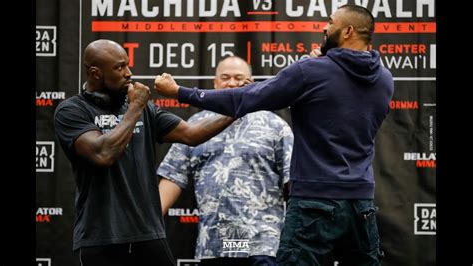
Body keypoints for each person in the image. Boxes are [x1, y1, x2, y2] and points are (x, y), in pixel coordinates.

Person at [154, 5, 394, 266]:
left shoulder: (310, 72)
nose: (324, 28)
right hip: (361, 203)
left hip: (314, 201)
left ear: (347, 31)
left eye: (329, 22)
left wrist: (180, 92)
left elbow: (245, 98)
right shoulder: (384, 79)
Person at [53, 39, 236, 266]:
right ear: (95, 73)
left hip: (148, 234)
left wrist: (239, 106)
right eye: (119, 67)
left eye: (127, 65)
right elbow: (104, 153)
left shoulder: (144, 109)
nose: (128, 73)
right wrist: (135, 108)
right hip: (101, 237)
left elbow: (192, 134)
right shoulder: (72, 110)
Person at [157, 56, 294, 266]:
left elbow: (292, 183)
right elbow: (173, 177)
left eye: (239, 78)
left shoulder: (276, 126)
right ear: (214, 84)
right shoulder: (194, 127)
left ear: (251, 82)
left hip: (262, 244)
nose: (231, 83)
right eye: (225, 77)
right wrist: (147, 224)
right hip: (213, 246)